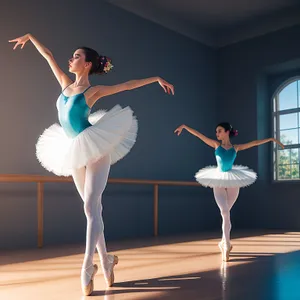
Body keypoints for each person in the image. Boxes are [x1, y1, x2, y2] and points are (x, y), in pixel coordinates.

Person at [9, 33, 174, 295]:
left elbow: (127, 86)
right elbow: (48, 55)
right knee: (91, 210)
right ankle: (106, 260)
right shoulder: (64, 83)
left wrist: (155, 78)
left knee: (90, 205)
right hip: (72, 148)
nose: (71, 59)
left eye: (76, 56)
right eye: (72, 56)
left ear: (87, 64)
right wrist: (31, 38)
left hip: (95, 148)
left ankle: (87, 266)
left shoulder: (93, 91)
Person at [174, 122, 283, 261]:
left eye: (219, 131)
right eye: (216, 131)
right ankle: (227, 245)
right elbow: (199, 135)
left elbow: (254, 143)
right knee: (225, 212)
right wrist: (184, 127)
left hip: (233, 180)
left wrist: (271, 139)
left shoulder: (235, 148)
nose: (217, 134)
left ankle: (223, 243)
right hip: (218, 179)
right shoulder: (216, 145)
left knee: (226, 213)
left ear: (226, 132)